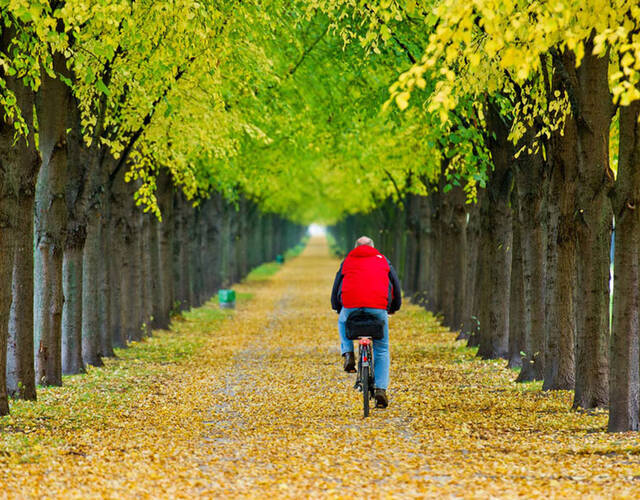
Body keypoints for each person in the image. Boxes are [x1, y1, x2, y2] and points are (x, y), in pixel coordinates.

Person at [330, 236, 402, 408]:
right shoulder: (383, 260)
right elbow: (395, 285)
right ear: (373, 247)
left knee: (342, 322)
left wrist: (336, 306)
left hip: (351, 306)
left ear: (355, 247)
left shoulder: (347, 261)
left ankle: (348, 354)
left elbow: (337, 285)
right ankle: (380, 389)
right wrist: (394, 307)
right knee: (382, 349)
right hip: (377, 307)